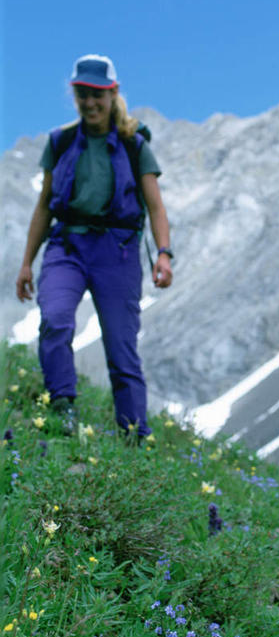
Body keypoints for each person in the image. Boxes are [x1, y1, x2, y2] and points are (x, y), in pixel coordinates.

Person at [16, 54, 173, 438]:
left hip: (116, 253)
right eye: (83, 94)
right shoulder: (61, 142)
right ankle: (63, 409)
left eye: (97, 95)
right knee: (54, 319)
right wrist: (26, 263)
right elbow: (43, 208)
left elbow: (156, 206)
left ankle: (134, 435)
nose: (90, 103)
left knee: (121, 347)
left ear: (113, 94)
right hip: (67, 247)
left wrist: (164, 254)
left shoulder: (135, 146)